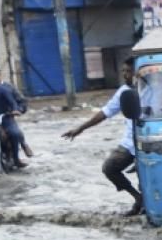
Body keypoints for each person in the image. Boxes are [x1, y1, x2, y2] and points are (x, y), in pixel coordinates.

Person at [61, 58, 143, 215]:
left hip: (151, 139)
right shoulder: (124, 92)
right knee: (109, 168)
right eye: (124, 71)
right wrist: (80, 128)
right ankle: (138, 198)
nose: (126, 75)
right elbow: (105, 113)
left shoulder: (152, 88)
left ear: (138, 72)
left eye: (129, 71)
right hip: (130, 143)